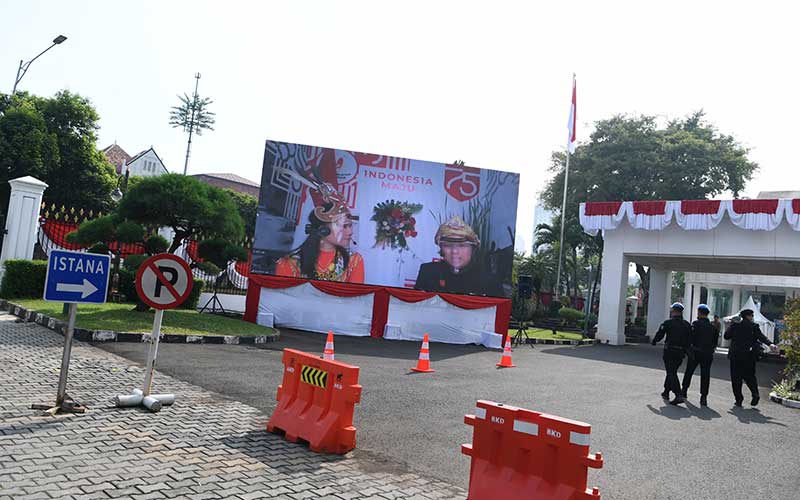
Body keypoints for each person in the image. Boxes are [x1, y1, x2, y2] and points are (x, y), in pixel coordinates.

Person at [275, 200, 364, 283]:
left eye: (350, 226)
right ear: (323, 230)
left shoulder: (353, 261)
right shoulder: (290, 263)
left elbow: (354, 298)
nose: (350, 232)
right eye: (344, 226)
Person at [414, 216, 502, 296]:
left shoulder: (489, 281)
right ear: (441, 248)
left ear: (473, 248)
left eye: (462, 245)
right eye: (448, 245)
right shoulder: (428, 272)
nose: (454, 251)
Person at [724, 309, 776, 407]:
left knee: (736, 378)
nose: (752, 317)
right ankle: (755, 394)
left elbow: (726, 336)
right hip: (749, 356)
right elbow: (761, 337)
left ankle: (738, 399)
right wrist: (770, 344)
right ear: (748, 316)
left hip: (735, 356)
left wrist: (731, 325)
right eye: (752, 315)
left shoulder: (735, 325)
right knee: (750, 376)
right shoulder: (754, 326)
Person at [651, 302, 692, 405]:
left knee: (671, 372)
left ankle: (678, 394)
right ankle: (666, 391)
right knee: (672, 371)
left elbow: (660, 334)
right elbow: (689, 339)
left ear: (674, 311)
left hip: (670, 351)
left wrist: (654, 341)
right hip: (680, 352)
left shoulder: (668, 323)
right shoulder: (687, 325)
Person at [681, 304, 720, 406]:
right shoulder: (713, 327)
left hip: (695, 352)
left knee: (689, 372)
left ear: (699, 312)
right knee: (705, 375)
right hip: (707, 353)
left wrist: (688, 350)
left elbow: (690, 338)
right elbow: (715, 342)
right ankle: (703, 397)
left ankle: (684, 391)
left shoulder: (695, 324)